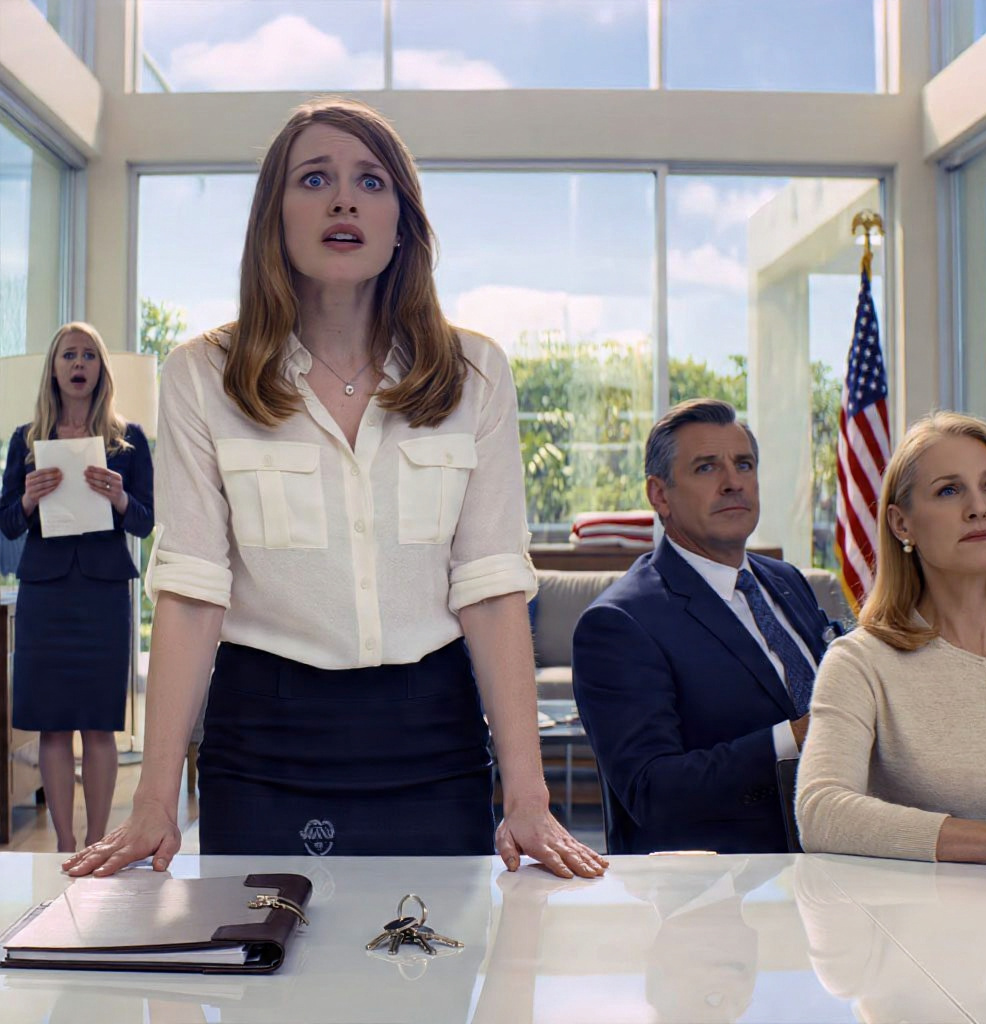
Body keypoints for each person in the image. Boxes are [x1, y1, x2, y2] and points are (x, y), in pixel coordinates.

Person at [63, 97, 605, 879]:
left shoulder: (476, 373)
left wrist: (528, 796)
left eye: (371, 182)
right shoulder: (200, 376)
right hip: (264, 740)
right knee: (261, 955)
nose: (344, 200)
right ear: (274, 217)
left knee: (433, 954)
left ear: (402, 222)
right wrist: (153, 802)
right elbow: (191, 591)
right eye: (314, 178)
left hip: (433, 736)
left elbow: (490, 588)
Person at [573, 398, 836, 854]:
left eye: (744, 464)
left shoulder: (786, 581)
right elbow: (653, 791)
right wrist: (794, 738)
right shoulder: (619, 623)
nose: (733, 482)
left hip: (839, 851)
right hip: (721, 878)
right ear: (659, 495)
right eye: (707, 467)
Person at [796, 412, 986, 865]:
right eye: (949, 490)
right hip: (929, 911)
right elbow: (821, 811)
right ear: (902, 524)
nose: (978, 507)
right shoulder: (860, 662)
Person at [0, 322, 154, 852]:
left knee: (99, 724)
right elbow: (7, 525)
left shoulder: (128, 442)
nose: (79, 363)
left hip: (103, 595)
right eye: (69, 354)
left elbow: (144, 521)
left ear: (100, 369)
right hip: (45, 595)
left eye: (89, 354)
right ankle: (65, 846)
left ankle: (96, 841)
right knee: (53, 724)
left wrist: (119, 498)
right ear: (54, 367)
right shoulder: (25, 440)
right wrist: (27, 498)